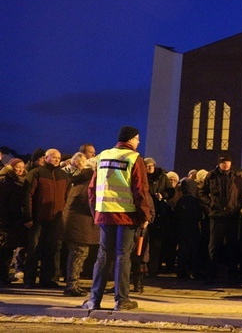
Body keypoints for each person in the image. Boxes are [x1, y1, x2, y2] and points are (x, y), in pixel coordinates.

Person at [82, 126, 152, 311]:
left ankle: (94, 299)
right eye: (137, 138)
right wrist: (145, 215)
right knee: (123, 256)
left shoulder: (103, 155)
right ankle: (121, 300)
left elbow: (92, 187)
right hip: (126, 215)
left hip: (105, 213)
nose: (139, 142)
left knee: (103, 255)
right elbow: (140, 190)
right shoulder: (134, 158)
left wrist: (95, 211)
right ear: (130, 140)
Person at [198, 153, 242, 284]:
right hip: (216, 216)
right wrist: (211, 203)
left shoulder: (237, 177)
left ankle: (232, 274)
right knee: (214, 246)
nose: (225, 164)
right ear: (219, 163)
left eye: (227, 162)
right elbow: (201, 193)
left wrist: (237, 206)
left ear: (231, 163)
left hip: (232, 215)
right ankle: (211, 274)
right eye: (223, 162)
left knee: (232, 245)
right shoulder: (212, 175)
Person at [22, 148, 67, 289]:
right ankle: (29, 279)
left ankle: (46, 280)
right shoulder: (36, 173)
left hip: (55, 219)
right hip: (37, 218)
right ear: (45, 158)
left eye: (58, 158)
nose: (56, 160)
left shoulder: (63, 175)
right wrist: (28, 216)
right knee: (34, 249)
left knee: (51, 250)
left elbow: (66, 196)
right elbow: (27, 196)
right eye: (53, 157)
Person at [62, 157, 99, 297]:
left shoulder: (81, 180)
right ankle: (71, 285)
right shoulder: (88, 183)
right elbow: (89, 204)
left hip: (78, 224)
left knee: (78, 254)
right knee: (78, 254)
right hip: (79, 225)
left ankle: (72, 284)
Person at [0, 158, 27, 285]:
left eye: (22, 167)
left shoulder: (19, 182)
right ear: (12, 168)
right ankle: (3, 277)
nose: (21, 169)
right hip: (6, 221)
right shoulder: (7, 181)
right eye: (18, 167)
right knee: (5, 250)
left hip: (12, 220)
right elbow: (7, 203)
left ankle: (4, 276)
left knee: (8, 249)